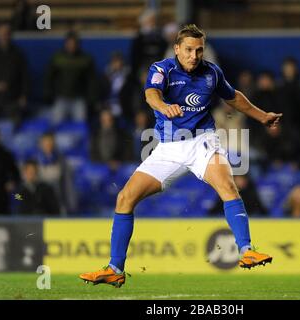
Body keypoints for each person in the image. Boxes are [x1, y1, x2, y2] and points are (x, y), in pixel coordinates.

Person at [79, 24, 282, 287]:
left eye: (199, 50)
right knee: (125, 198)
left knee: (228, 185)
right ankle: (115, 268)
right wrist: (164, 106)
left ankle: (246, 251)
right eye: (188, 50)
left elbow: (234, 98)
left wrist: (262, 115)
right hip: (168, 148)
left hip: (203, 142)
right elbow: (151, 94)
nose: (194, 56)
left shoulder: (212, 72)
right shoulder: (162, 69)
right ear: (177, 49)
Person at [43, 31, 97, 124]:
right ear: (65, 44)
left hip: (79, 99)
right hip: (61, 98)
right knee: (55, 125)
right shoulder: (57, 58)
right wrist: (48, 94)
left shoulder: (86, 59)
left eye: (74, 43)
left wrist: (91, 99)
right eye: (69, 43)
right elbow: (49, 77)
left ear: (78, 44)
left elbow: (91, 80)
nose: (71, 46)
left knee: (80, 125)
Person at [33, 132, 77, 215]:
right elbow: (19, 194)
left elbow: (68, 184)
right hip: (40, 204)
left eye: (50, 143)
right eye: (45, 143)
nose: (48, 146)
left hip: (57, 202)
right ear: (41, 144)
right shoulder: (35, 161)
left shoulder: (61, 161)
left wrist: (71, 205)